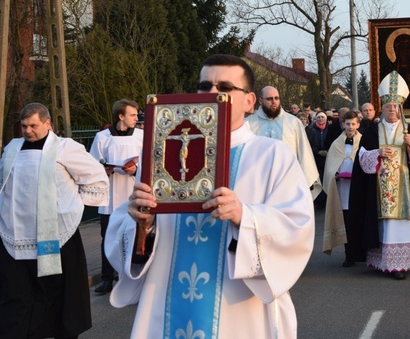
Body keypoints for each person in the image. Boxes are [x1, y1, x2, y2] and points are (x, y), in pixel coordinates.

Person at [106, 54, 315, 338]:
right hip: (165, 303)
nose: (212, 94)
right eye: (205, 86)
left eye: (225, 88)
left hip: (240, 312)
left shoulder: (272, 155)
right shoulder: (160, 152)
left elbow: (297, 229)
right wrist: (144, 223)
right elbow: (131, 237)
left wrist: (246, 216)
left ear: (249, 101)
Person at [0, 102, 109, 338]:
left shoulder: (65, 148)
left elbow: (97, 179)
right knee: (17, 296)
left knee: (59, 295)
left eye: (33, 126)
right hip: (15, 236)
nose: (27, 131)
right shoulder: (12, 148)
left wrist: (68, 207)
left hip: (56, 236)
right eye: (24, 126)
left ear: (47, 124)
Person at [348, 71, 410, 280]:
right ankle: (382, 261)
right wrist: (377, 153)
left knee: (401, 225)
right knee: (382, 225)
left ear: (400, 107)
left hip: (404, 187)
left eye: (396, 106)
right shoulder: (372, 132)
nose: (392, 110)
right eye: (388, 106)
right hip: (378, 187)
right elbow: (361, 158)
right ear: (383, 108)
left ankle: (400, 264)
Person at [89, 99, 143, 294]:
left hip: (132, 193)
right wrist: (105, 168)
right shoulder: (102, 137)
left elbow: (149, 163)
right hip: (110, 196)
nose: (137, 118)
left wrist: (135, 169)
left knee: (135, 238)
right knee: (108, 238)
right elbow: (92, 164)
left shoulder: (141, 136)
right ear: (121, 116)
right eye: (133, 115)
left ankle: (131, 278)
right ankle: (106, 279)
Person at [246, 86, 322, 198]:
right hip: (258, 183)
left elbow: (304, 152)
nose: (274, 102)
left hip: (288, 182)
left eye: (276, 98)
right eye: (269, 99)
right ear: (260, 100)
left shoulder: (293, 122)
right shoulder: (249, 123)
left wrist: (307, 180)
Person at [322, 111, 362, 266]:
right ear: (342, 124)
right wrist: (335, 175)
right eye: (347, 124)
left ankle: (361, 253)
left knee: (358, 221)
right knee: (346, 222)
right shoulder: (336, 144)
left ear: (358, 124)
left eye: (353, 124)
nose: (350, 127)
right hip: (342, 189)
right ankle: (349, 255)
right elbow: (330, 166)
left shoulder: (363, 141)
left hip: (357, 187)